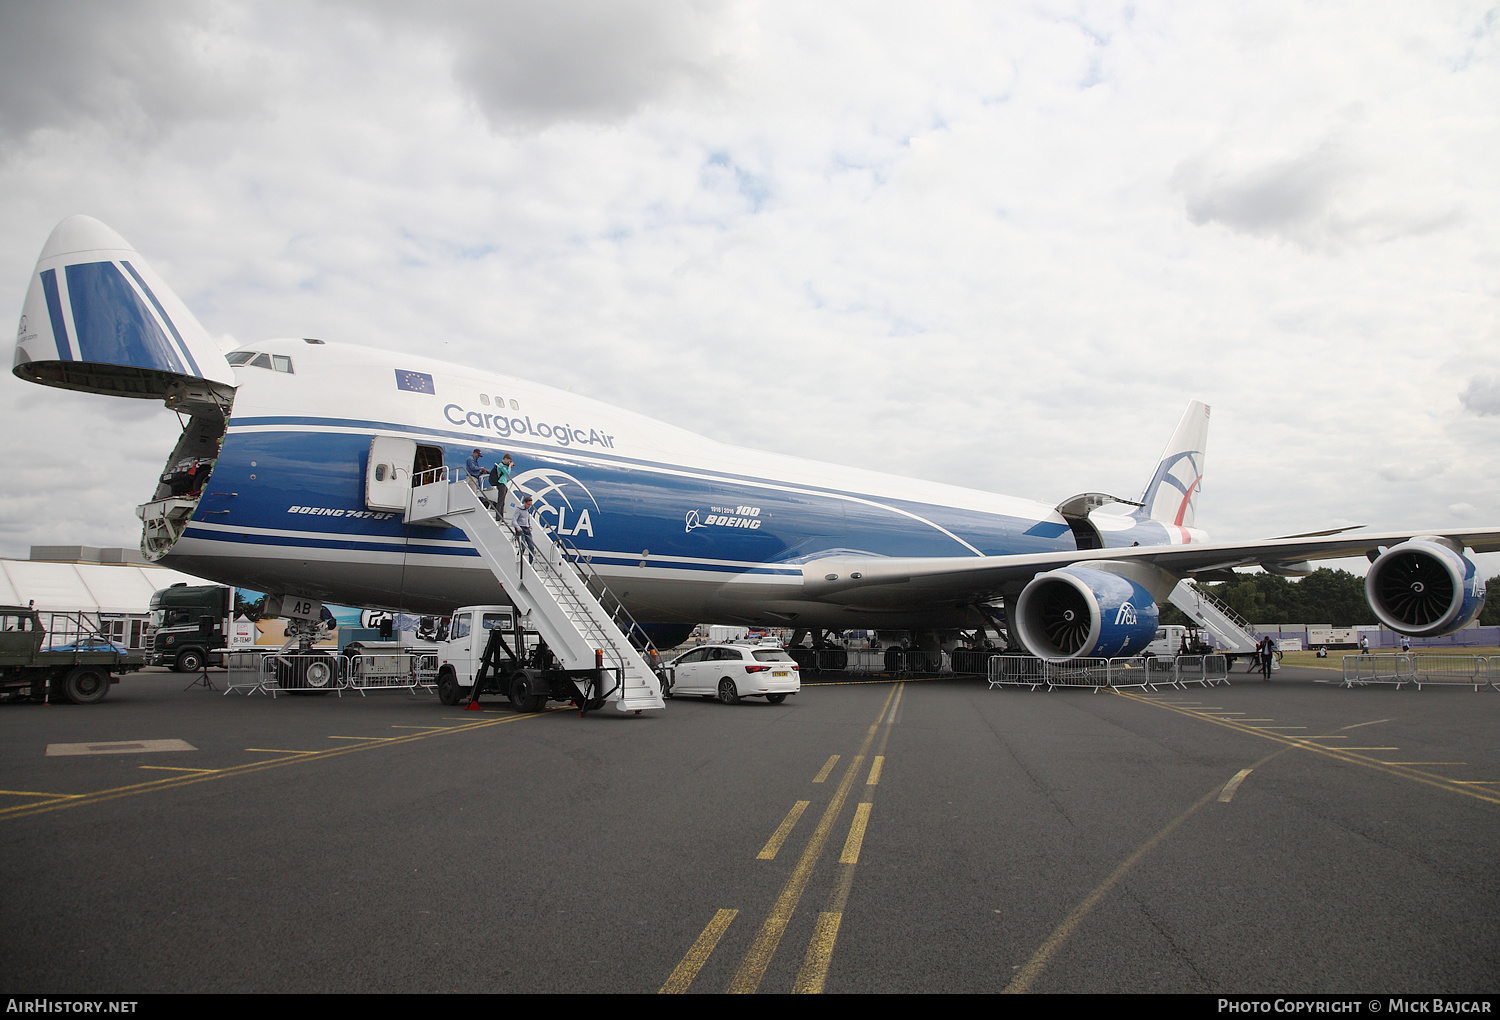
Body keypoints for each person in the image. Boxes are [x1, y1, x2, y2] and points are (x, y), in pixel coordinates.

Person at [489, 453, 514, 518]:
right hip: (500, 483)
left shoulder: (503, 465)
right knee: (500, 500)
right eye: (508, 460)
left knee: (503, 501)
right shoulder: (500, 465)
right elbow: (507, 473)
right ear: (505, 459)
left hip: (504, 483)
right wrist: (509, 467)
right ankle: (498, 517)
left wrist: (509, 466)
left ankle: (501, 516)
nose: (508, 462)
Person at [513, 495, 536, 561]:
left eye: (530, 505)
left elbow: (528, 519)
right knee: (522, 546)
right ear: (524, 503)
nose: (529, 506)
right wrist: (517, 527)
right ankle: (518, 558)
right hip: (521, 528)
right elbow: (514, 520)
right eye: (528, 504)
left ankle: (531, 562)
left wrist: (530, 525)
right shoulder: (519, 510)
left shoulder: (528, 510)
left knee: (531, 546)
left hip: (527, 529)